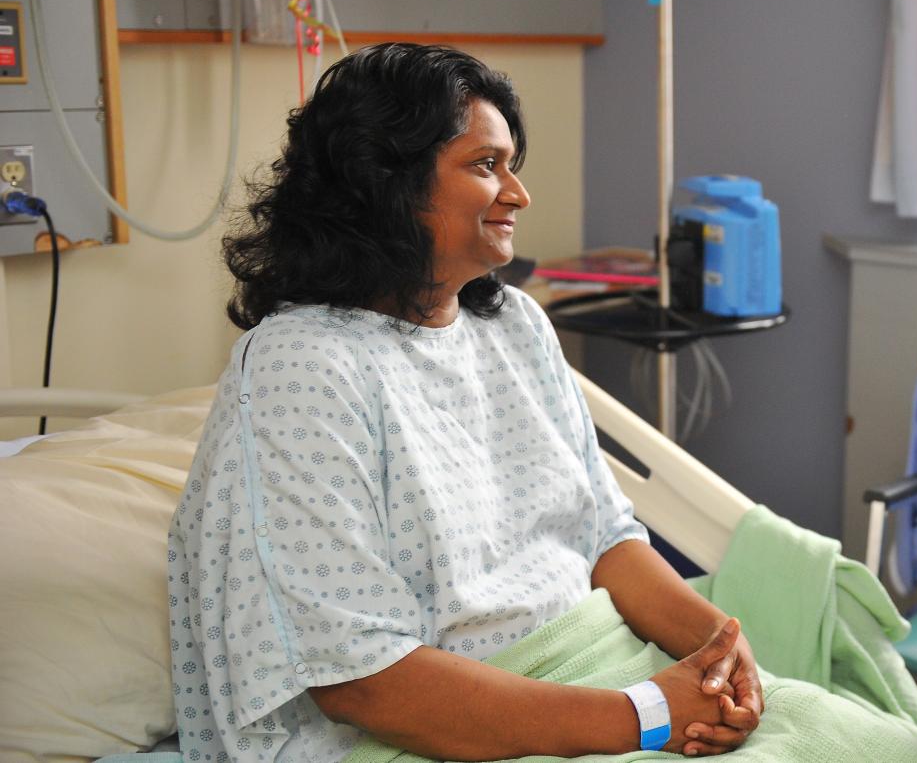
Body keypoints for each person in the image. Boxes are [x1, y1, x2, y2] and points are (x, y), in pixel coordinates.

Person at [167, 43, 763, 763]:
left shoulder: (511, 324)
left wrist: (721, 652)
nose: (518, 193)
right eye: (486, 166)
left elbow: (602, 536)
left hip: (593, 676)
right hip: (424, 733)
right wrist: (647, 715)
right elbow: (358, 681)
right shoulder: (304, 367)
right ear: (383, 182)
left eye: (512, 164)